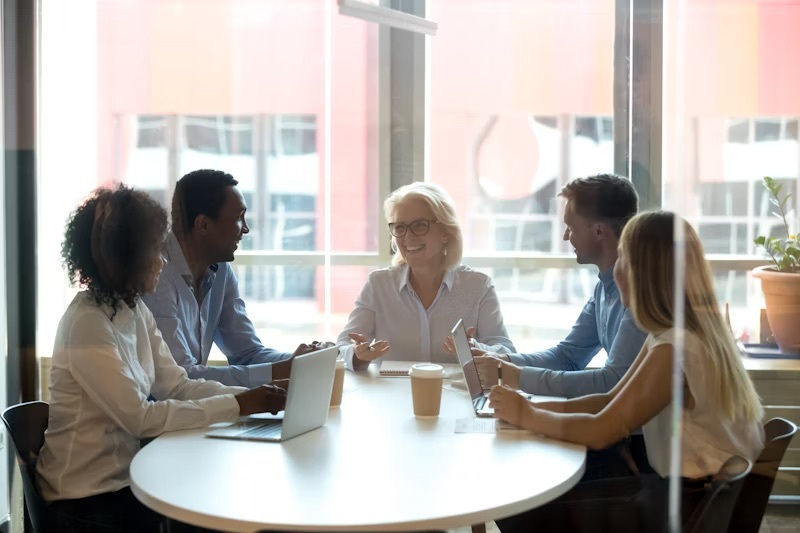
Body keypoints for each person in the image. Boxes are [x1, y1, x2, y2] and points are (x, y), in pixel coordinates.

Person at [489, 211, 765, 532]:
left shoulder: (675, 347)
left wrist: (527, 415)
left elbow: (604, 429)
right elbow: (608, 399)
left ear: (641, 273)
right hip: (697, 494)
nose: (615, 267)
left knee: (522, 509)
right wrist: (528, 410)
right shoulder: (676, 334)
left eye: (622, 256)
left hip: (689, 505)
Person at [37, 185, 287, 532]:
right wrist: (239, 405)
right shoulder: (87, 324)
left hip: (124, 483)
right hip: (84, 500)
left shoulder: (132, 308)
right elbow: (139, 418)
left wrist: (247, 400)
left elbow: (177, 385)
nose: (164, 260)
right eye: (156, 250)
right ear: (128, 257)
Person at [142, 169, 325, 388]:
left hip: (195, 405)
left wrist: (299, 360)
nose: (246, 229)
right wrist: (280, 371)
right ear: (203, 225)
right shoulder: (157, 273)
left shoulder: (221, 271)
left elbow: (246, 352)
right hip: (159, 410)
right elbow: (181, 377)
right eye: (238, 218)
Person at [472, 174, 647, 398]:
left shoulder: (640, 295)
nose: (565, 237)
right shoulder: (603, 288)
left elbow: (611, 383)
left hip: (638, 432)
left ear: (599, 231)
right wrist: (500, 361)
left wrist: (512, 375)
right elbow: (568, 357)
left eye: (571, 227)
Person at [338, 181, 515, 370]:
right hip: (390, 397)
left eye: (420, 225)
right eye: (400, 227)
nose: (408, 237)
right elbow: (341, 348)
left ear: (446, 232)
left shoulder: (478, 286)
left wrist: (473, 349)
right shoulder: (379, 284)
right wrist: (358, 355)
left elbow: (507, 353)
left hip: (456, 396)